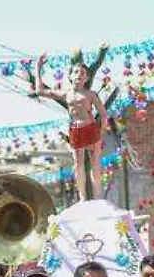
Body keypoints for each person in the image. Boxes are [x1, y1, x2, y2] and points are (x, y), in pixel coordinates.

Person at [34, 54, 107, 202]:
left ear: (86, 78)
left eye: (83, 73)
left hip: (90, 128)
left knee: (95, 163)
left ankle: (98, 196)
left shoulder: (90, 95)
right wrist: (38, 67)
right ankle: (82, 197)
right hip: (76, 130)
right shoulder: (66, 94)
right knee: (78, 164)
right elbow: (40, 91)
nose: (79, 75)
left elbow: (103, 114)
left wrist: (101, 132)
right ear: (70, 76)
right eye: (76, 72)